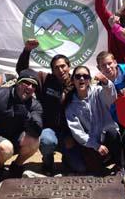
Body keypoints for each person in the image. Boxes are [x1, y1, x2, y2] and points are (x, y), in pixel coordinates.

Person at [16, 39, 79, 174]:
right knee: (46, 141)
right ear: (52, 70)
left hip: (71, 132)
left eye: (63, 66)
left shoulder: (78, 81)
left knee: (79, 167)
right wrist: (27, 51)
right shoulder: (44, 80)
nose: (60, 70)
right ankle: (48, 161)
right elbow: (23, 72)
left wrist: (72, 136)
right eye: (56, 67)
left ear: (69, 67)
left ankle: (67, 160)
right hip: (49, 130)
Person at [65, 66, 121, 174]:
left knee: (113, 132)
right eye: (78, 76)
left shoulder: (98, 91)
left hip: (106, 136)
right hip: (90, 143)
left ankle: (120, 166)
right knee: (88, 169)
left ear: (89, 80)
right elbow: (77, 132)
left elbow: (112, 97)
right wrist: (96, 146)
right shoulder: (70, 104)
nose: (82, 79)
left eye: (85, 76)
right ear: (73, 80)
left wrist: (105, 81)